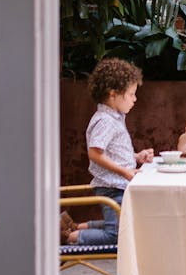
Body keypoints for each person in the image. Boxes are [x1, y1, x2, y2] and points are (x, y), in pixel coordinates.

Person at [62, 58, 153, 246]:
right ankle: (69, 238)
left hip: (117, 185)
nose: (135, 99)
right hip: (112, 187)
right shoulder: (105, 121)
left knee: (122, 223)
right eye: (131, 94)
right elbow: (95, 153)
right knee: (117, 234)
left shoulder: (114, 118)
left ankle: (77, 226)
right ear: (113, 95)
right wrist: (125, 171)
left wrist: (136, 157)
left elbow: (111, 152)